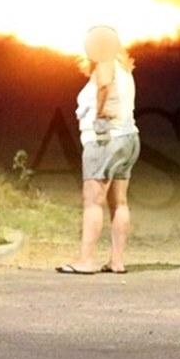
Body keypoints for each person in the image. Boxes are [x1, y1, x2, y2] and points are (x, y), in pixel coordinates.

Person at [56, 25, 140, 275]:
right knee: (120, 203)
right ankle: (117, 261)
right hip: (127, 138)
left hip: (104, 140)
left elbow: (104, 85)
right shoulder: (124, 68)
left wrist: (101, 112)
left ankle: (86, 261)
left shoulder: (105, 63)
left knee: (93, 202)